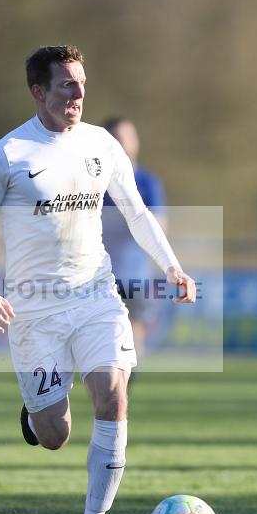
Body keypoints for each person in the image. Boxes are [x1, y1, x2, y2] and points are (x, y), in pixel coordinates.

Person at [0, 45, 195, 514]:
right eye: (66, 84)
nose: (78, 93)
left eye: (82, 83)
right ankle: (36, 408)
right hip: (34, 309)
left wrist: (170, 264)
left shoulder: (102, 144)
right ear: (38, 91)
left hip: (96, 295)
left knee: (113, 394)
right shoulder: (8, 155)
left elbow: (136, 212)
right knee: (55, 435)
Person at [100, 118, 167, 380]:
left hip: (134, 273)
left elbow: (158, 225)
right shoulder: (96, 181)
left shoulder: (147, 182)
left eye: (128, 137)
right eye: (117, 137)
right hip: (97, 273)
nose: (124, 144)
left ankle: (122, 393)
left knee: (133, 335)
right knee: (99, 339)